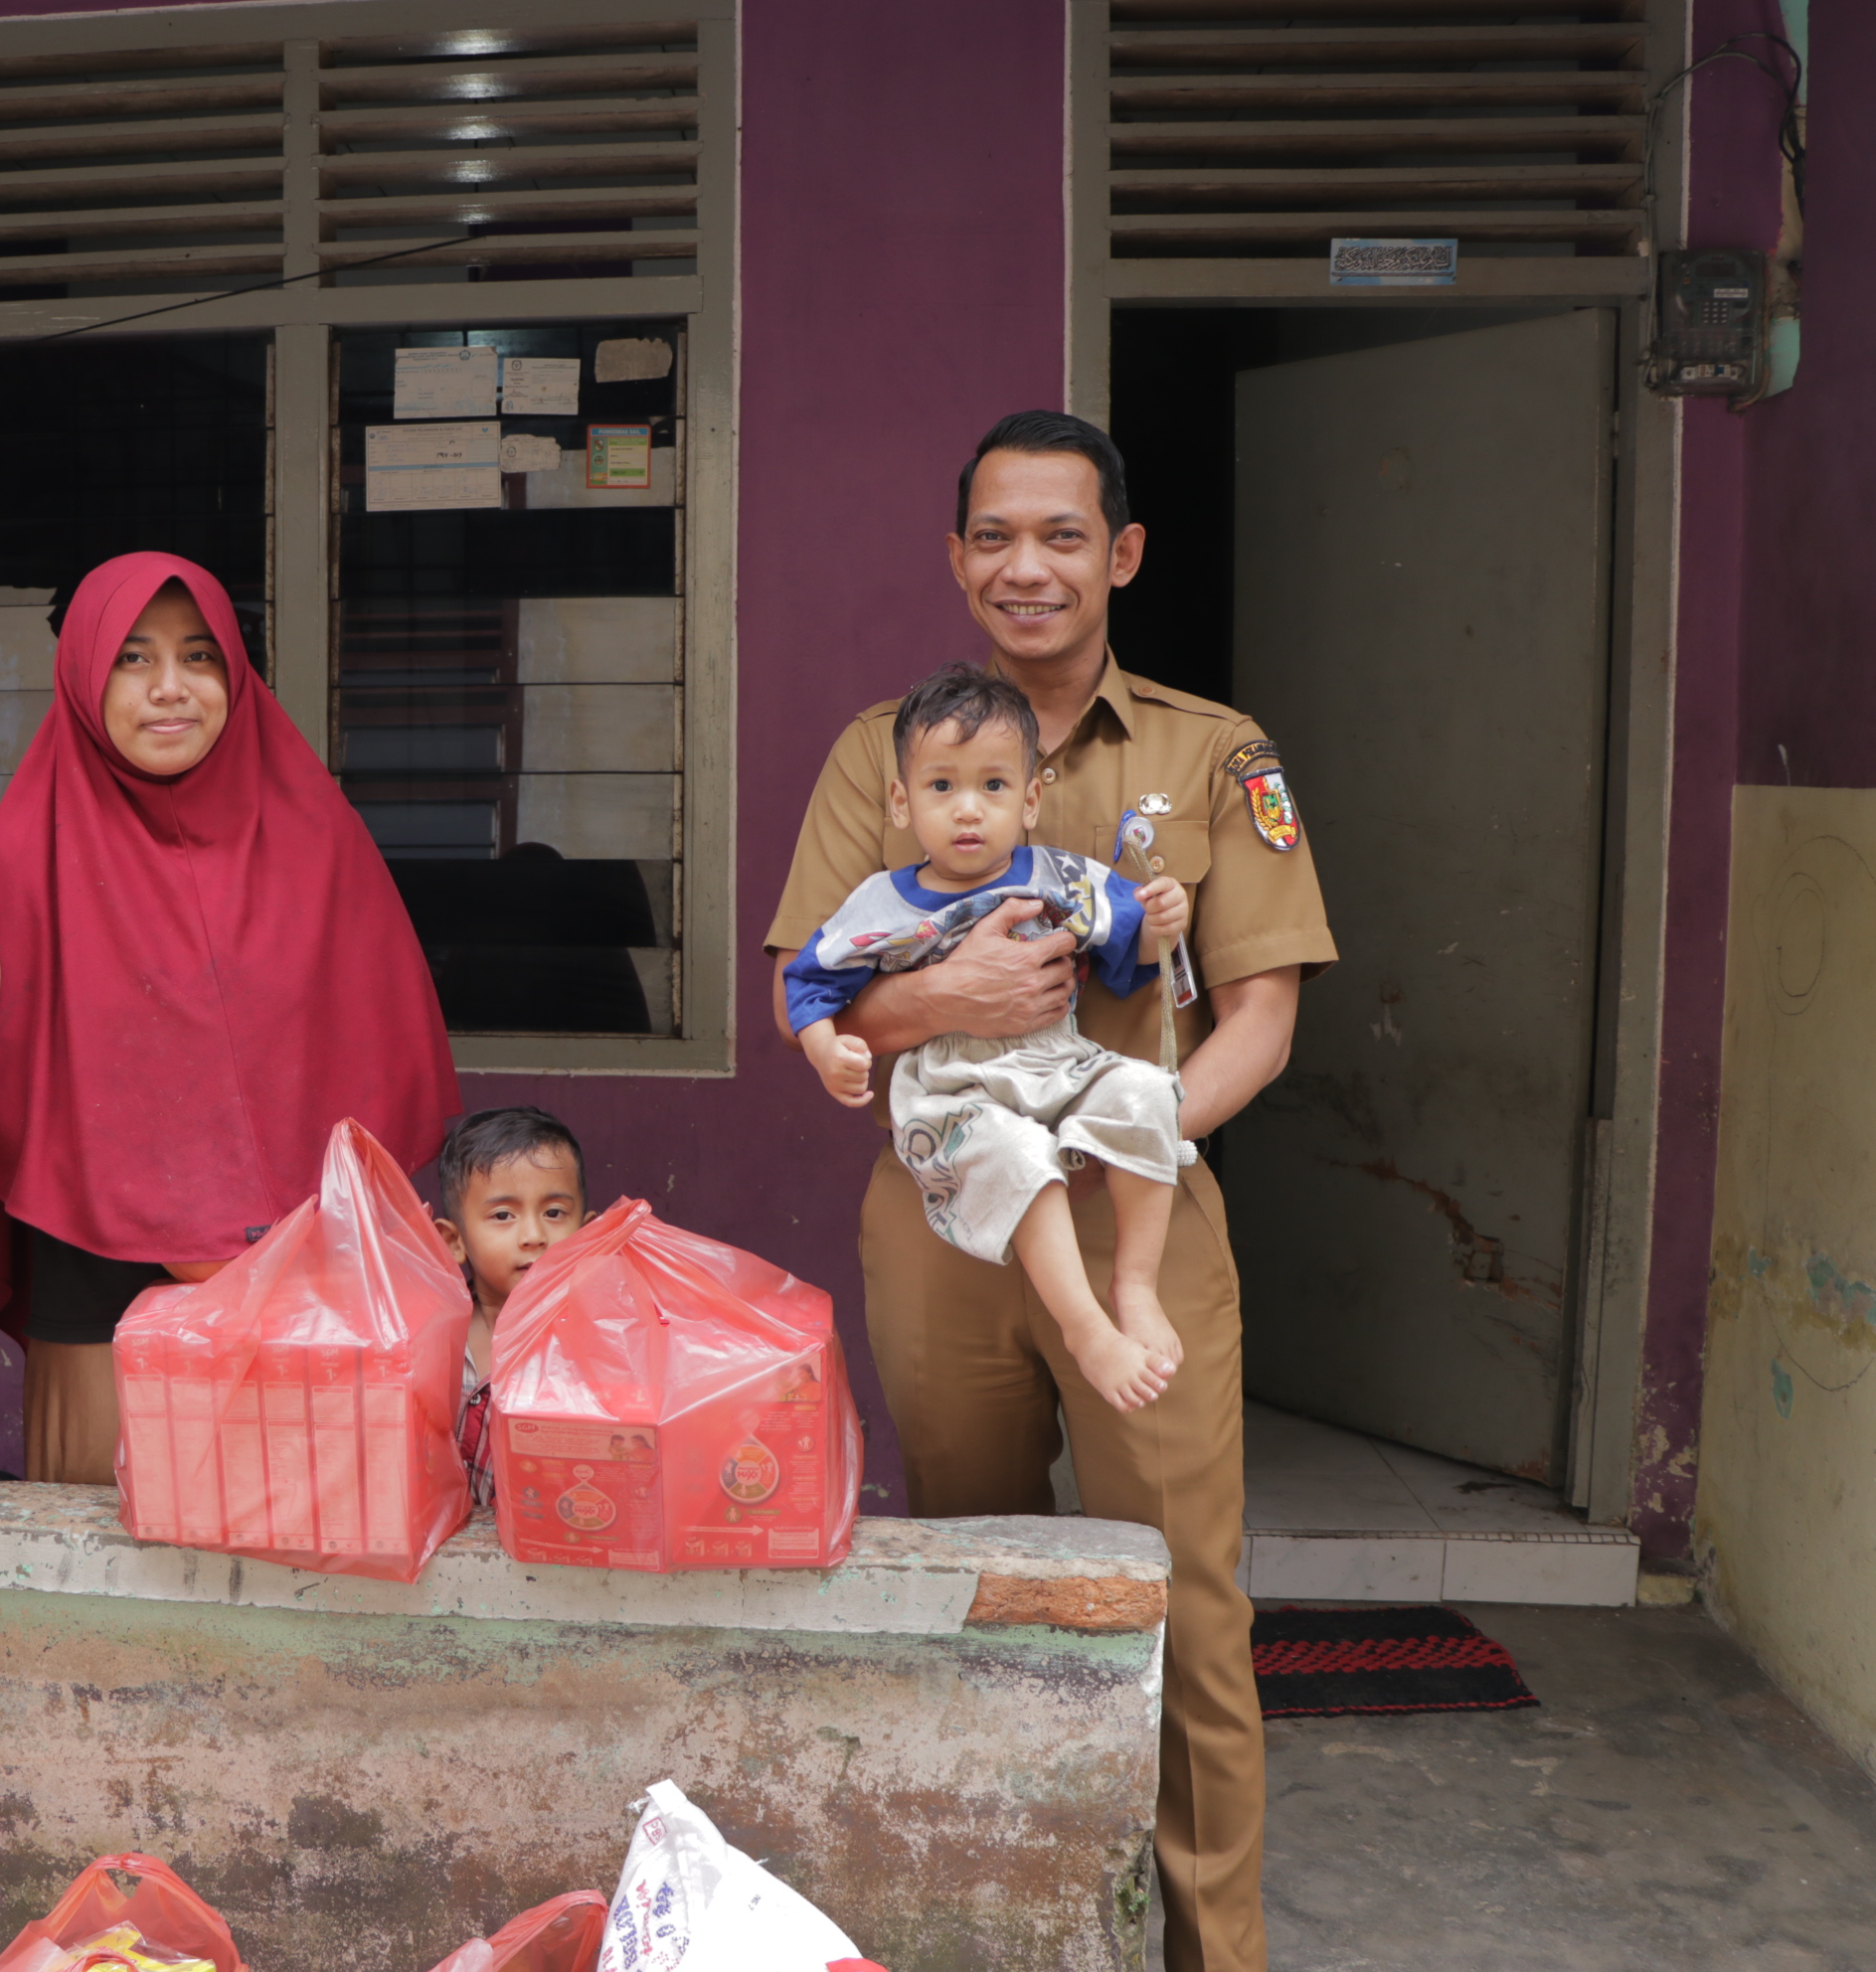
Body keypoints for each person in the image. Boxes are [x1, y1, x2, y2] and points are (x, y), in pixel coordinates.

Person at [765, 412, 1335, 1972]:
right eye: (996, 539)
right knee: (978, 1570)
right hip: (951, 1223)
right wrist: (955, 1011)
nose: (1028, 568)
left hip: (1145, 1219)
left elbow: (1264, 1014)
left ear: (1122, 556)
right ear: (958, 561)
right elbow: (828, 1008)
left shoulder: (1215, 753)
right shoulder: (881, 755)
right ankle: (996, 1931)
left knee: (1187, 1605)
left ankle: (1215, 1955)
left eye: (1063, 536)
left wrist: (1118, 1130)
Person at [0, 551, 459, 1485]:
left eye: (200, 656)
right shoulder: (26, 852)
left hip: (293, 1270)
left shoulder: (316, 836)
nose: (171, 689)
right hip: (89, 1248)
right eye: (132, 659)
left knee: (295, 1533)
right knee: (95, 1545)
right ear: (85, 676)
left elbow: (374, 1047)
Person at [783, 661, 1192, 1412]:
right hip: (951, 1086)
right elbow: (810, 983)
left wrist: (1163, 922)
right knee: (1012, 1151)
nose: (968, 810)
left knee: (1145, 1091)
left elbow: (1128, 945)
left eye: (994, 787)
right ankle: (1085, 1328)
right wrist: (824, 1048)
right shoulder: (878, 902)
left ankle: (1133, 1285)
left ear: (1031, 799)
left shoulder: (1065, 879)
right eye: (942, 787)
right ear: (902, 803)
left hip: (1057, 1060)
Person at [430, 1105, 593, 1505]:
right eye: (503, 1215)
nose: (534, 1235)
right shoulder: (430, 1336)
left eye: (554, 1212)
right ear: (454, 1242)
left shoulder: (598, 1343)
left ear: (588, 1234)